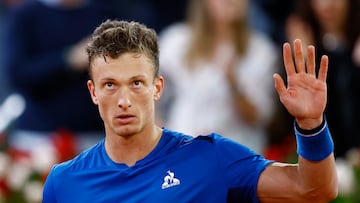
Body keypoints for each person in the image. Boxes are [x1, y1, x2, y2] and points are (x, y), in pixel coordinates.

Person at [42, 20, 337, 202]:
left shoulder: (211, 159)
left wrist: (311, 126)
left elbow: (314, 190)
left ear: (157, 88)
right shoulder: (64, 182)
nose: (124, 100)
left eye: (136, 83)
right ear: (94, 92)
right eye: (109, 85)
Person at [157, 0, 279, 153]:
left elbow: (260, 117)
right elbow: (149, 89)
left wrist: (233, 84)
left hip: (236, 156)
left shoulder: (261, 51)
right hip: (182, 152)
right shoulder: (176, 41)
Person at [1, 0, 114, 154]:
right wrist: (68, 59)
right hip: (39, 138)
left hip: (95, 136)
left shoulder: (106, 13)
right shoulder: (26, 14)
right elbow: (17, 73)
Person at [285, 0, 360, 158]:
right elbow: (288, 120)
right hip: (325, 158)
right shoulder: (305, 47)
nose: (327, 5)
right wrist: (303, 62)